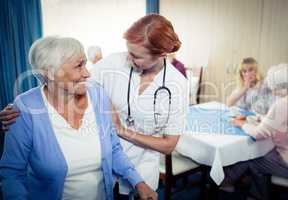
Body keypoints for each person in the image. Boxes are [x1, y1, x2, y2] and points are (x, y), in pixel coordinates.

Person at [0, 14, 188, 198]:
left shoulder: (176, 83)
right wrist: (20, 109)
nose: (128, 59)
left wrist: (120, 131)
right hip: (108, 173)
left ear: (161, 55)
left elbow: (168, 145)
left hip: (137, 167)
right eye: (128, 51)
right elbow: (59, 83)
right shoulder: (113, 63)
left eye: (135, 56)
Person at [223, 63, 288, 199]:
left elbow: (258, 133)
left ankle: (257, 196)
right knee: (261, 151)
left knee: (253, 157)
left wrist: (240, 124)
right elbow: (278, 121)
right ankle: (238, 182)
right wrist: (258, 117)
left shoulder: (282, 104)